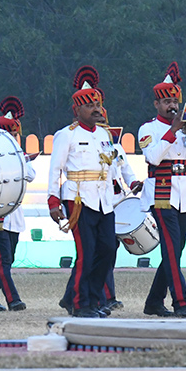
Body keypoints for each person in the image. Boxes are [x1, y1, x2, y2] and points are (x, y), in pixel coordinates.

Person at [48, 66, 136, 318]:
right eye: (90, 106)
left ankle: (90, 298)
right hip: (78, 199)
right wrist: (53, 200)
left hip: (104, 201)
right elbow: (55, 169)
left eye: (98, 105)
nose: (96, 109)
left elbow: (115, 163)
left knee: (107, 250)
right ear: (77, 110)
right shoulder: (66, 135)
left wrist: (130, 184)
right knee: (86, 253)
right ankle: (81, 303)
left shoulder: (105, 134)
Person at [138, 62, 186, 318]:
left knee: (175, 251)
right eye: (166, 101)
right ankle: (181, 303)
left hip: (184, 194)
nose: (171, 105)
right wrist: (173, 131)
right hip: (161, 193)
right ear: (156, 104)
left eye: (174, 100)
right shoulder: (149, 129)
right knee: (169, 249)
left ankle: (154, 302)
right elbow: (153, 158)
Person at [0, 96, 33, 312]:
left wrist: (22, 159)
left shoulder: (18, 153)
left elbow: (29, 175)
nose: (13, 137)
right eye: (10, 133)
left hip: (13, 212)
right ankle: (13, 299)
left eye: (14, 134)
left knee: (8, 258)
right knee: (4, 258)